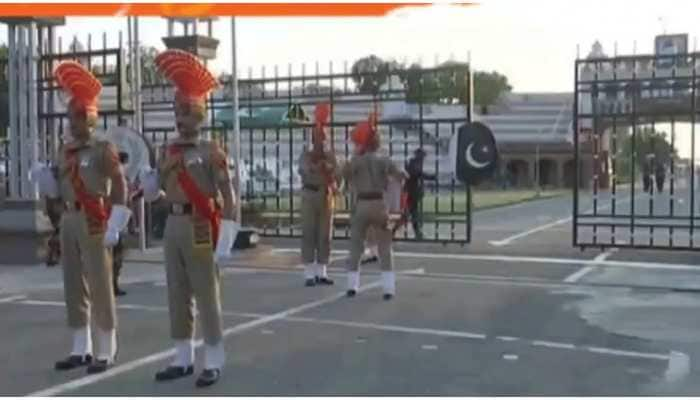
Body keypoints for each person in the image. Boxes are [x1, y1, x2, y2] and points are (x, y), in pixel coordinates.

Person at [141, 49, 239, 388]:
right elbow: (156, 194)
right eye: (176, 109)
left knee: (206, 294)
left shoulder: (212, 152)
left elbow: (229, 197)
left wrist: (226, 236)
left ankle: (212, 359)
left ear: (198, 112)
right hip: (173, 224)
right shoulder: (169, 152)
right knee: (176, 292)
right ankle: (182, 357)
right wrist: (149, 183)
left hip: (200, 225)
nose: (178, 117)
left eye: (184, 110)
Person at [31, 61, 131, 374]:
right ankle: (80, 347)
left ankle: (107, 348)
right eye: (69, 115)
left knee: (100, 284)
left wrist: (117, 222)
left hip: (94, 218)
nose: (72, 122)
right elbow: (59, 189)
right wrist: (46, 180)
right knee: (73, 284)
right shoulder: (65, 151)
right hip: (70, 220)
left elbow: (120, 186)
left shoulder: (103, 149)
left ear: (90, 116)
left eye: (77, 115)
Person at [343, 113, 406, 300]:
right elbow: (401, 175)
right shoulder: (384, 159)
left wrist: (356, 154)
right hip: (379, 204)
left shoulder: (356, 160)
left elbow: (344, 175)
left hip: (361, 204)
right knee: (385, 247)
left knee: (355, 247)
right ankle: (388, 289)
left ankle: (352, 286)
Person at [298, 103, 340, 286]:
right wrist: (316, 166)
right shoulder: (306, 155)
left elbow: (338, 175)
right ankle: (308, 273)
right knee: (309, 233)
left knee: (325, 235)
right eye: (318, 137)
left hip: (325, 196)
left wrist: (329, 169)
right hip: (309, 194)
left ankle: (322, 271)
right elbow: (303, 171)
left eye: (323, 137)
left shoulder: (330, 156)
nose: (321, 141)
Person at [404, 148, 435, 239]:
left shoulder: (416, 162)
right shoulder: (413, 163)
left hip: (413, 192)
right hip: (411, 192)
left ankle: (417, 232)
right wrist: (430, 177)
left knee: (413, 212)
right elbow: (417, 173)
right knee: (410, 213)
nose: (423, 158)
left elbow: (418, 175)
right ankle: (417, 232)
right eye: (422, 156)